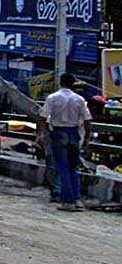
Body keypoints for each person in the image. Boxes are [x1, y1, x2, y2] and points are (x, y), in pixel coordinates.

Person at [37, 73, 92, 212]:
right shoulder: (79, 99)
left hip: (59, 132)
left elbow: (43, 117)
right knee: (74, 167)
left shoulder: (53, 98)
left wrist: (39, 135)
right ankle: (77, 199)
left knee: (62, 167)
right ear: (73, 84)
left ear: (60, 83)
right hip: (74, 133)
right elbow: (87, 120)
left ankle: (67, 201)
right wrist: (87, 138)